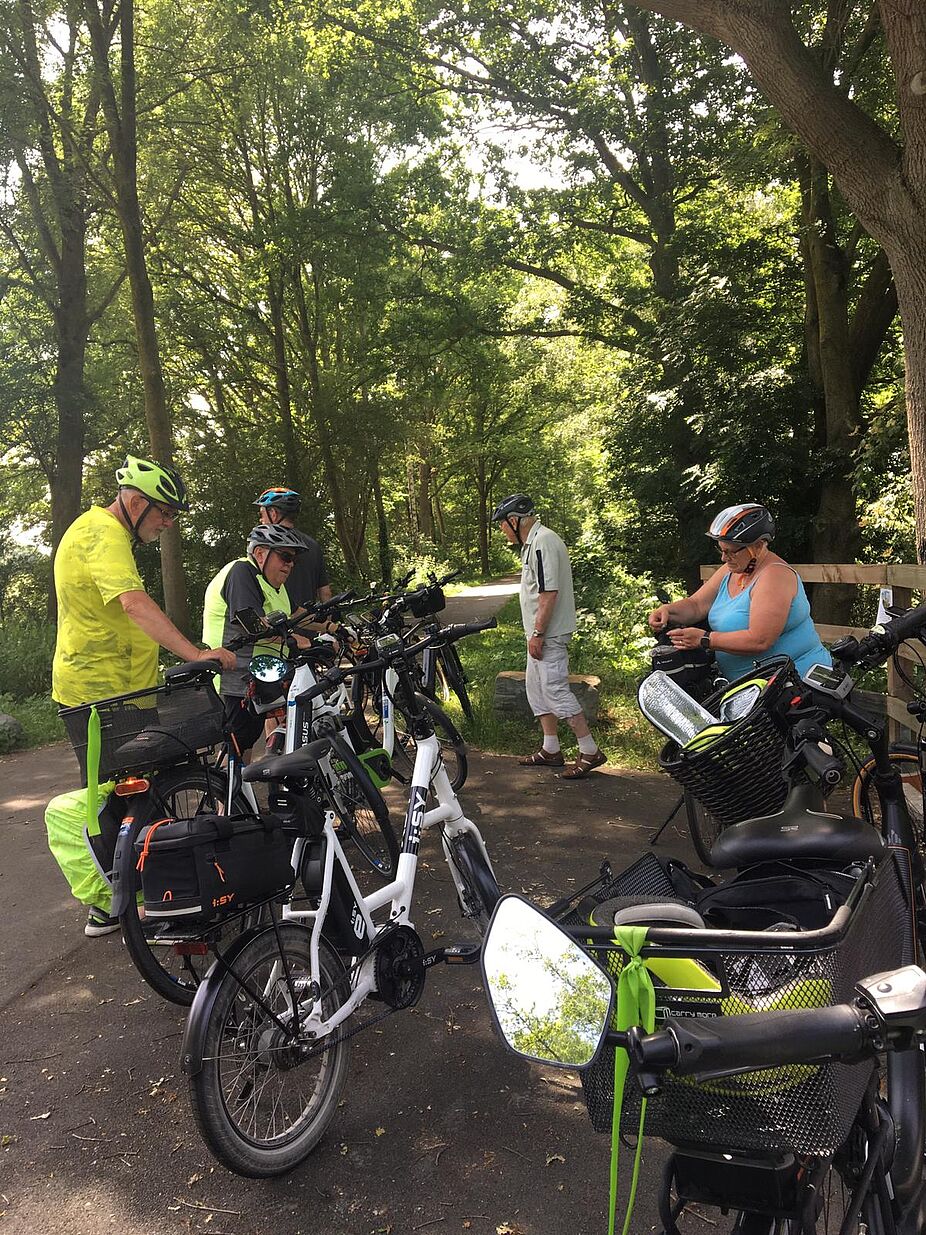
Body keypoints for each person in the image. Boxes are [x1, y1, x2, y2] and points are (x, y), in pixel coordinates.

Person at [50, 454, 236, 936]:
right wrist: (196, 654)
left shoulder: (104, 532)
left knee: (138, 785)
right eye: (163, 513)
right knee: (113, 794)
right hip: (98, 691)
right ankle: (111, 900)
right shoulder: (101, 532)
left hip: (123, 687)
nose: (168, 523)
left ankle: (141, 889)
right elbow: (133, 603)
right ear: (134, 502)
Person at [648, 503, 832, 680]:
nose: (723, 557)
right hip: (749, 686)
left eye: (731, 551)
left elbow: (760, 640)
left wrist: (704, 639)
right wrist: (668, 611)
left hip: (795, 681)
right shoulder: (732, 570)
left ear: (758, 546)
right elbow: (696, 605)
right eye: (721, 550)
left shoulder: (774, 576)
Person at [493, 493, 606, 779]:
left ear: (515, 520)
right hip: (540, 633)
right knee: (536, 689)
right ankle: (551, 749)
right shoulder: (534, 543)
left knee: (554, 689)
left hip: (549, 634)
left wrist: (539, 633)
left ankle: (590, 750)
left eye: (503, 525)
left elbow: (548, 592)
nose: (502, 531)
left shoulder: (542, 542)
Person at [254, 487, 332, 609]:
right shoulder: (313, 545)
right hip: (309, 622)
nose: (261, 519)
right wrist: (327, 624)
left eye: (261, 514)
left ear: (273, 514)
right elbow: (325, 592)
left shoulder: (263, 546)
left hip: (279, 623)